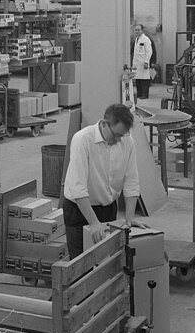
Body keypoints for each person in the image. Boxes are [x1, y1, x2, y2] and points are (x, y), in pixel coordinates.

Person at [61, 103, 142, 258]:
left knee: (106, 261)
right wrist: (93, 222)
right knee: (81, 266)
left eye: (122, 135)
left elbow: (131, 181)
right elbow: (78, 187)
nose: (119, 140)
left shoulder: (127, 141)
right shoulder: (82, 140)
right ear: (104, 124)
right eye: (116, 135)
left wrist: (129, 219)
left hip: (108, 208)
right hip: (80, 210)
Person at [131, 23, 156, 100]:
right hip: (137, 63)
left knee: (144, 79)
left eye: (139, 30)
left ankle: (145, 94)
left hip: (143, 62)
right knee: (138, 78)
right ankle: (139, 94)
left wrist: (146, 62)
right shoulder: (136, 40)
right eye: (136, 30)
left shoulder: (146, 40)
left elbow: (149, 51)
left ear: (142, 30)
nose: (137, 31)